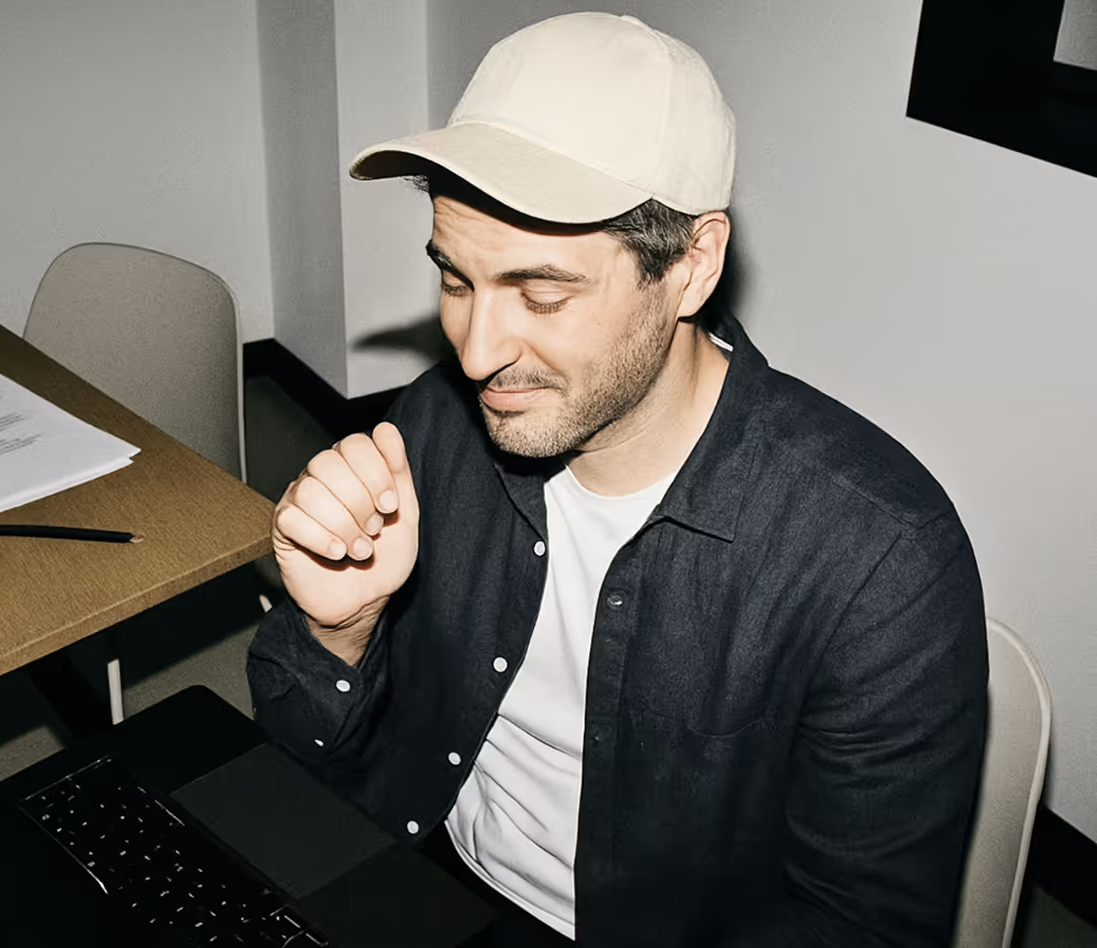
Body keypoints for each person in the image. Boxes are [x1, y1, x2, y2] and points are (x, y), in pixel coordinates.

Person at [248, 12, 987, 947]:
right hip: (414, 872)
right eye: (457, 279)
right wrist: (337, 631)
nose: (476, 354)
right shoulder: (436, 425)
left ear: (691, 266)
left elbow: (863, 929)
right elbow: (293, 757)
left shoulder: (879, 560)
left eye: (543, 294)